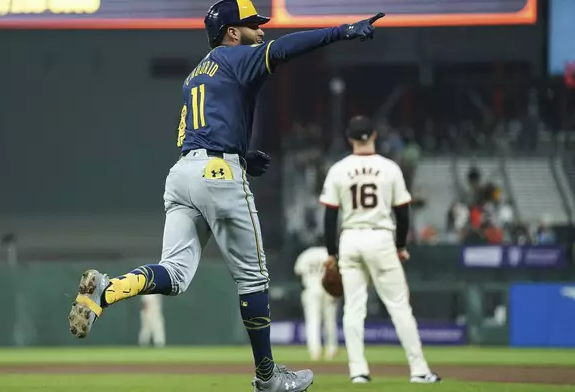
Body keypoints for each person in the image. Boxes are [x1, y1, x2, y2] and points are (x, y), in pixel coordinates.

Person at [67, 1, 385, 391]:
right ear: (232, 33)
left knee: (176, 273)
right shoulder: (237, 57)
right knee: (254, 278)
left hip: (183, 173)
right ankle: (268, 377)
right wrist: (343, 31)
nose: (260, 30)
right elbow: (286, 49)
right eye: (252, 24)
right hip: (217, 171)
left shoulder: (194, 76)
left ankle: (108, 290)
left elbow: (200, 131)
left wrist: (243, 155)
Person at [319, 115, 441, 384]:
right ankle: (419, 370)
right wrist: (400, 246)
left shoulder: (339, 169)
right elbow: (403, 212)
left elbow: (330, 216)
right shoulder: (389, 168)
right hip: (381, 237)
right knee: (399, 307)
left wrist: (331, 252)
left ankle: (358, 372)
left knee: (353, 308)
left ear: (349, 138)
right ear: (374, 135)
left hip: (350, 238)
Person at [293, 241, 339, 361]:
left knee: (313, 322)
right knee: (330, 321)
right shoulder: (328, 254)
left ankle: (315, 352)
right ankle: (332, 348)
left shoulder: (306, 255)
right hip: (328, 291)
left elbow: (297, 273)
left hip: (311, 289)